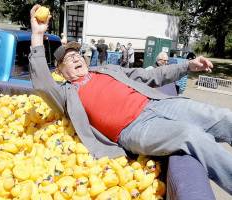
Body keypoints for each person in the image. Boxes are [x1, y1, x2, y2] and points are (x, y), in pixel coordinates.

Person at [30, 5, 232, 195]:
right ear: (61, 72)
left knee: (223, 117)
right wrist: (38, 35)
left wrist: (187, 66)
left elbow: (150, 75)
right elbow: (42, 83)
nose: (75, 58)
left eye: (77, 54)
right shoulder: (66, 94)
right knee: (190, 135)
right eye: (67, 59)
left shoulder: (108, 69)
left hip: (157, 103)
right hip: (135, 128)